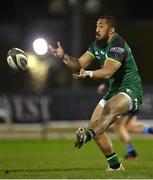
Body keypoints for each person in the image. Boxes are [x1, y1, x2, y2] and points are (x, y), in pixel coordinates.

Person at [49, 15, 143, 171]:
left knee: (110, 109)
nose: (97, 29)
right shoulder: (96, 45)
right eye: (96, 26)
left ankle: (85, 137)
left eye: (101, 26)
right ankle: (115, 166)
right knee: (95, 127)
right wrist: (64, 57)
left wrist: (88, 74)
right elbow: (79, 63)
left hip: (131, 88)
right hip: (114, 89)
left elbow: (108, 71)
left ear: (111, 29)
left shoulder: (117, 45)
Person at [97, 83, 153, 160]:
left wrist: (105, 84)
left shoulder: (118, 73)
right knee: (130, 126)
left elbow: (113, 74)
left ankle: (131, 153)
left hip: (125, 99)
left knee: (118, 126)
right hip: (133, 97)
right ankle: (150, 130)